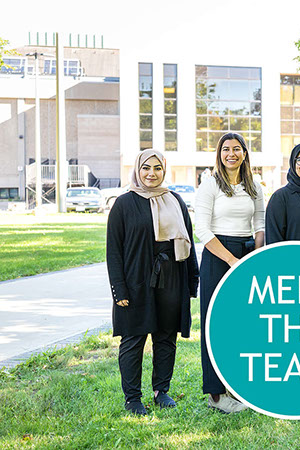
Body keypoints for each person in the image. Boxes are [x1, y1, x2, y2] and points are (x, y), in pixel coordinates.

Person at [106, 149, 199, 415]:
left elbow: (188, 242)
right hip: (136, 281)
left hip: (172, 278)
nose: (151, 173)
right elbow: (113, 250)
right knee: (133, 338)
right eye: (146, 167)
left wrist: (192, 282)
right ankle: (132, 398)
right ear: (137, 169)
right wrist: (118, 288)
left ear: (164, 170)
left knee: (166, 337)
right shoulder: (124, 204)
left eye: (157, 168)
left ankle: (162, 391)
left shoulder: (176, 201)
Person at [195, 132, 265, 414]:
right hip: (216, 254)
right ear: (219, 154)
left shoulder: (255, 185)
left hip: (246, 252)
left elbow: (259, 222)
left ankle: (237, 386)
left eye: (237, 149)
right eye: (226, 149)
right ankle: (215, 394)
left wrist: (254, 257)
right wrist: (231, 260)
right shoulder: (210, 184)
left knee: (242, 325)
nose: (231, 154)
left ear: (245, 154)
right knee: (215, 324)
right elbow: (201, 228)